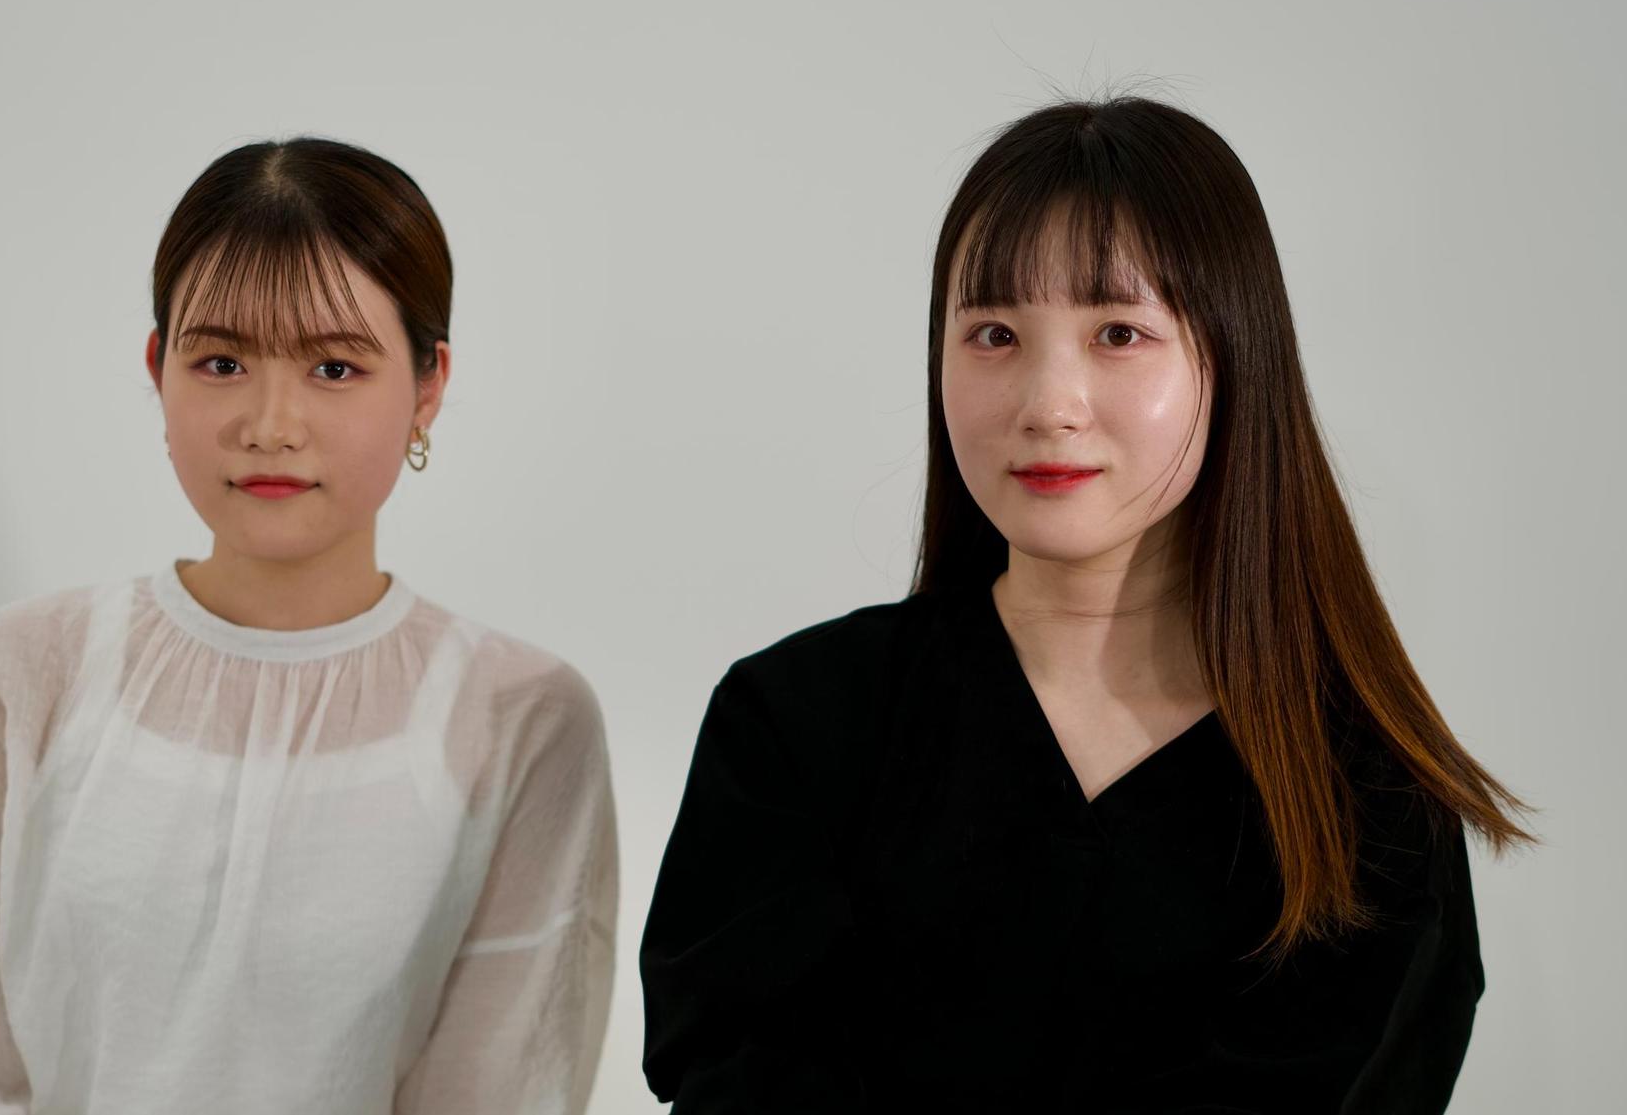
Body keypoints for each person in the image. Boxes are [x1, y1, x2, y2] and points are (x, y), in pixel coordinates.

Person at [639, 97, 1533, 1113]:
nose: (1046, 404)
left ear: (1233, 358)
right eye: (993, 334)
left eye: (1118, 333)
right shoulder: (796, 724)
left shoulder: (1364, 792)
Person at [0, 138, 617, 1114]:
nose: (270, 423)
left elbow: (506, 1087)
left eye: (334, 367)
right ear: (157, 367)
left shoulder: (519, 717)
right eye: (221, 361)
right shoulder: (23, 672)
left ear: (427, 386)